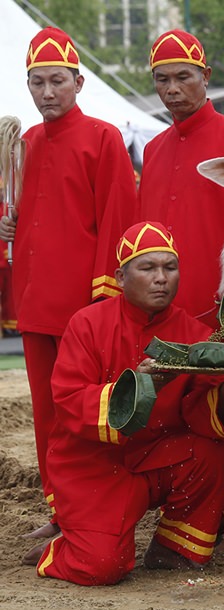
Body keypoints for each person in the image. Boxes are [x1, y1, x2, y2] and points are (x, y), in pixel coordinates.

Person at [33, 221, 224, 585]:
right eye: (148, 268)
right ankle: (61, 550)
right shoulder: (86, 323)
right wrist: (140, 384)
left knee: (213, 455)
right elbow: (68, 400)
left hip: (156, 456)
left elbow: (204, 413)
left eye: (169, 268)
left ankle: (173, 548)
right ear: (121, 276)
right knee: (103, 567)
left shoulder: (194, 332)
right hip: (92, 466)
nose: (161, 278)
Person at [0, 27, 137, 541]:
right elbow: (22, 214)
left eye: (57, 81)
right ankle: (61, 510)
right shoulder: (25, 143)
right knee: (47, 415)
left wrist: (105, 299)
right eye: (37, 82)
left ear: (79, 82)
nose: (47, 92)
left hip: (84, 308)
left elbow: (118, 220)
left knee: (89, 413)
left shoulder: (104, 138)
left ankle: (96, 507)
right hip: (35, 304)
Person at [137, 29, 224, 550]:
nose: (172, 89)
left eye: (183, 78)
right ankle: (192, 521)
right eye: (162, 80)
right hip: (168, 308)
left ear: (206, 79)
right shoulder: (152, 146)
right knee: (176, 415)